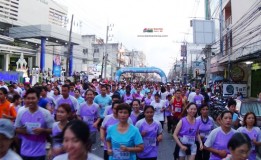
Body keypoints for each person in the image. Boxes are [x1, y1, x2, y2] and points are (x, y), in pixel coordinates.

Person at [14, 88, 54, 160]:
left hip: (40, 153)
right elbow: (16, 128)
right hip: (24, 152)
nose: (30, 101)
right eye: (28, 98)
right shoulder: (21, 113)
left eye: (33, 98)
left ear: (38, 99)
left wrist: (43, 130)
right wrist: (23, 131)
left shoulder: (45, 113)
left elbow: (53, 129)